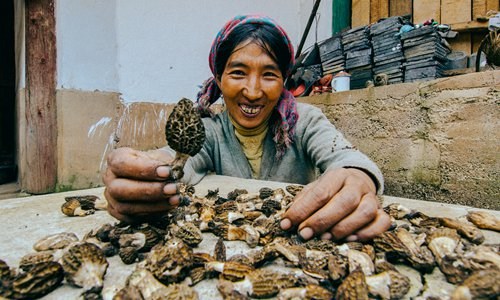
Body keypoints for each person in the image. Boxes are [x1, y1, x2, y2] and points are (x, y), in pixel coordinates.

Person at [103, 15, 391, 242]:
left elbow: (347, 158)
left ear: (284, 81)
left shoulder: (305, 122)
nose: (253, 92)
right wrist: (148, 173)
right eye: (238, 73)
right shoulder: (212, 131)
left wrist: (358, 179)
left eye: (269, 75)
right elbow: (177, 161)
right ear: (218, 78)